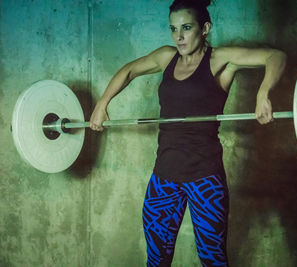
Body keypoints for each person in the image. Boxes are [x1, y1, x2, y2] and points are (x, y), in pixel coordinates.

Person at [90, 0, 286, 266]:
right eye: (173, 29)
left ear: (205, 28)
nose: (178, 37)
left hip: (204, 177)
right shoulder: (166, 57)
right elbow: (129, 71)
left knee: (213, 260)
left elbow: (275, 56)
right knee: (157, 260)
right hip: (164, 176)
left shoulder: (220, 60)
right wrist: (102, 104)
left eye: (186, 28)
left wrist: (264, 92)